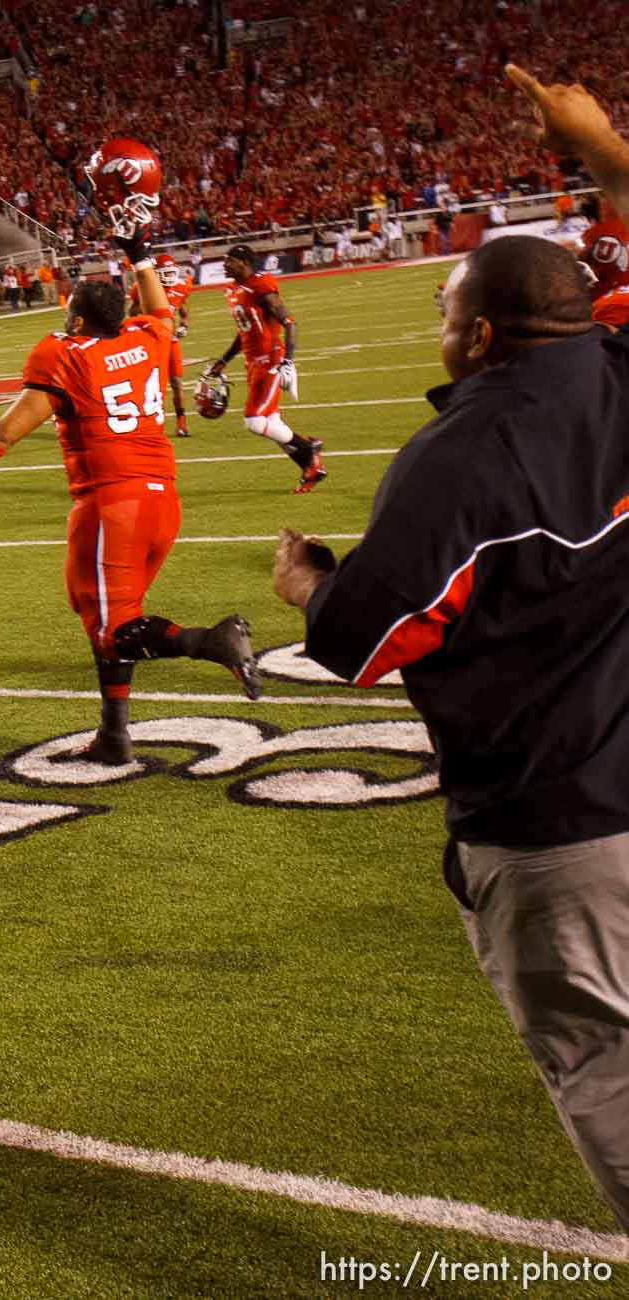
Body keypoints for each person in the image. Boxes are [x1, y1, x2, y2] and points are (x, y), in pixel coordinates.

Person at [272, 68, 629, 1232]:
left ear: (481, 332)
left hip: (557, 824)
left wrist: (308, 582)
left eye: (443, 317)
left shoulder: (458, 459)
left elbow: (365, 642)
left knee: (609, 1079)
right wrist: (602, 147)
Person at [0, 237, 261, 762]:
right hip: (162, 501)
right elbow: (160, 308)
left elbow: (7, 431)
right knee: (112, 620)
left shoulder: (65, 355)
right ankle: (115, 737)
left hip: (110, 505)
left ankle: (210, 642)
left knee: (112, 626)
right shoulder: (148, 338)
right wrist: (139, 253)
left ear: (77, 322)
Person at [202, 245, 326, 492]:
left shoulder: (261, 286)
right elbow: (244, 331)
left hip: (271, 360)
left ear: (245, 262)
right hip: (253, 363)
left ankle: (308, 451)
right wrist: (224, 360)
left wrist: (288, 361)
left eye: (230, 261)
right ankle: (310, 467)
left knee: (255, 422)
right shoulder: (233, 290)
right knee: (272, 422)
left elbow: (290, 323)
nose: (224, 265)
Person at [131, 254, 194, 437]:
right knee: (145, 383)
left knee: (176, 382)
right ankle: (143, 423)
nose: (169, 277)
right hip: (150, 343)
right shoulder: (141, 289)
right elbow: (132, 313)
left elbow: (183, 310)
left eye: (171, 272)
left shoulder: (181, 288)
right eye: (164, 273)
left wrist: (184, 325)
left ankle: (182, 423)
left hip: (171, 341)